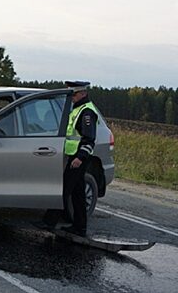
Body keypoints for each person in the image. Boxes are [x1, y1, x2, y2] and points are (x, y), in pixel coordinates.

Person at [60, 80, 99, 237]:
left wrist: (80, 158)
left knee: (65, 189)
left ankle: (49, 221)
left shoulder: (87, 112)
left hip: (78, 158)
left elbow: (89, 138)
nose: (72, 97)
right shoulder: (77, 109)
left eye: (74, 94)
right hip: (73, 156)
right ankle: (79, 227)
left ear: (83, 93)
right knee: (78, 193)